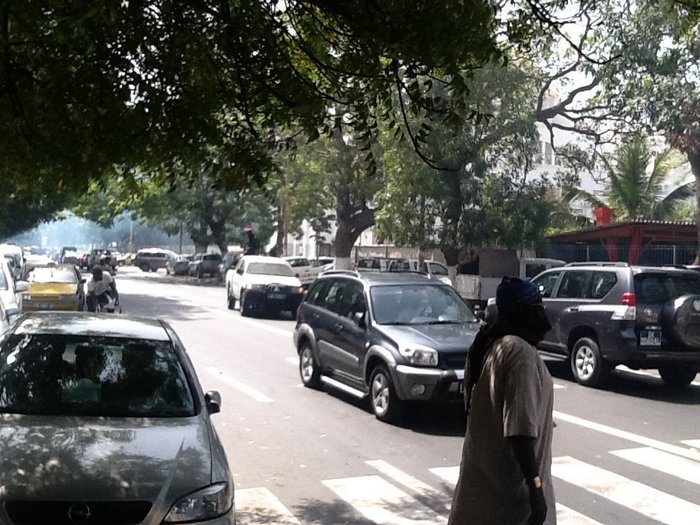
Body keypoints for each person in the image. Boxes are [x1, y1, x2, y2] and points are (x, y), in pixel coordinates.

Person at [448, 276, 556, 525]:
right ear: (521, 313)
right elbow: (519, 431)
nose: (543, 315)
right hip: (511, 507)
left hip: (479, 502)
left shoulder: (491, 345)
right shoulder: (520, 353)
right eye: (537, 308)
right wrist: (536, 489)